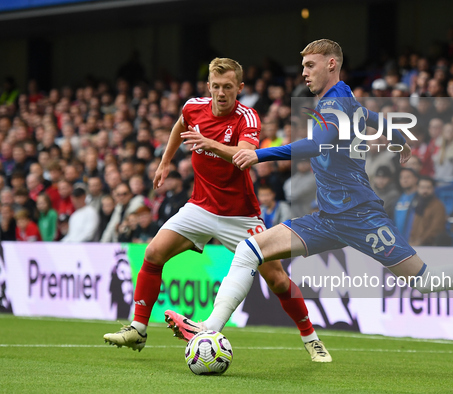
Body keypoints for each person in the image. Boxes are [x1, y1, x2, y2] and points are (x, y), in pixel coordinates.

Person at [163, 39, 453, 349]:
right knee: (250, 250)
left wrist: (258, 154)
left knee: (423, 280)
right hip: (328, 217)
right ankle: (209, 328)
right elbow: (369, 117)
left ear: (331, 63)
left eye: (310, 65)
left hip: (360, 215)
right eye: (303, 66)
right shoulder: (342, 98)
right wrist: (397, 137)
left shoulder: (334, 101)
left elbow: (318, 144)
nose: (304, 73)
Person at [104, 57, 330, 362]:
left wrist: (209, 143)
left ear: (240, 87)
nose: (221, 93)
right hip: (200, 206)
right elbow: (179, 125)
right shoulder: (193, 107)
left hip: (240, 215)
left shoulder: (247, 117)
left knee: (276, 280)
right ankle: (138, 328)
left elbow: (246, 154)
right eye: (215, 86)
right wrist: (166, 161)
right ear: (208, 86)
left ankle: (311, 338)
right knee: (153, 253)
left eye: (227, 87)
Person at [409, 177, 447, 246]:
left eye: (428, 188)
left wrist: (420, 241)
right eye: (422, 187)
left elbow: (436, 229)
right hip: (416, 246)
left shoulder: (438, 206)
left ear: (433, 189)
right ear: (417, 188)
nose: (425, 191)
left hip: (430, 247)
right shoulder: (418, 205)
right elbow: (414, 228)